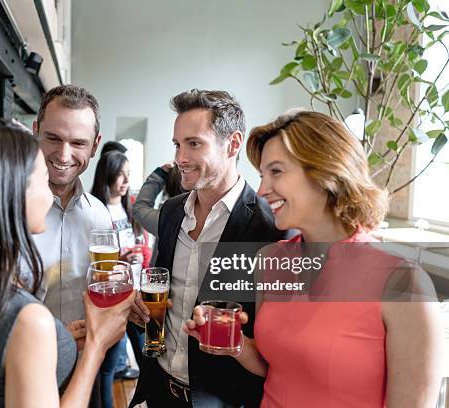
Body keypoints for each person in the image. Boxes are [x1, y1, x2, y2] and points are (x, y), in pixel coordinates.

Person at [184, 110, 444, 407]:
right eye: (262, 175)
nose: (263, 190)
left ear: (326, 172)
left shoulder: (402, 282)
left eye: (277, 172)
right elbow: (279, 366)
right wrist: (234, 342)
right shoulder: (271, 260)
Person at [0, 118, 135, 408]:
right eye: (42, 179)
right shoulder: (28, 319)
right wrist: (97, 345)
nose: (51, 192)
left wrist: (57, 342)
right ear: (12, 193)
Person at [129, 89, 286, 408]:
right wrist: (141, 307)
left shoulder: (270, 226)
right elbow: (164, 289)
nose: (180, 158)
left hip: (221, 401)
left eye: (194, 143)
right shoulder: (172, 211)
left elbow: (278, 346)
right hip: (157, 388)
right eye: (177, 144)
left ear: (233, 143)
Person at [31, 85, 114, 324]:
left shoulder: (99, 215)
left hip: (84, 356)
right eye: (53, 138)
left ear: (95, 145)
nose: (64, 156)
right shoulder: (5, 209)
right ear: (35, 131)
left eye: (78, 143)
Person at [90, 150, 151, 408]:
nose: (125, 182)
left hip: (135, 296)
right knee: (108, 368)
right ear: (107, 176)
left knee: (148, 360)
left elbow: (143, 244)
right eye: (120, 175)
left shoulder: (131, 209)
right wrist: (120, 262)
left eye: (129, 175)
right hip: (111, 299)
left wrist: (141, 255)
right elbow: (92, 265)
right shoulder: (95, 210)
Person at [133, 161, 185, 265]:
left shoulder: (165, 220)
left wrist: (160, 174)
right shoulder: (213, 216)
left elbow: (140, 207)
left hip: (161, 279)